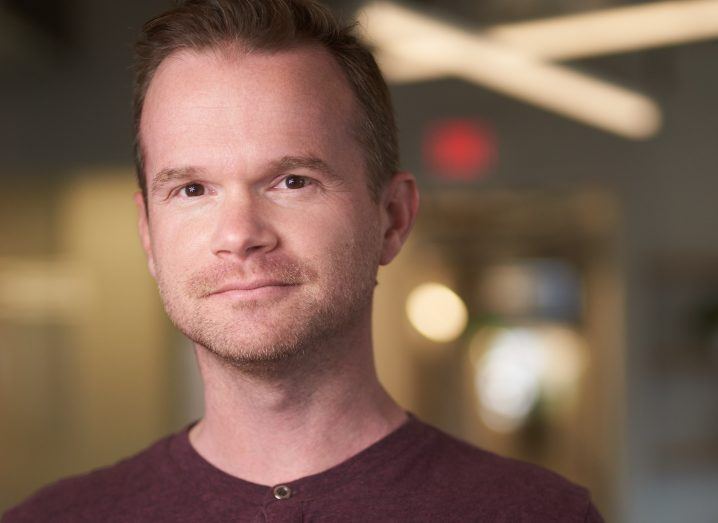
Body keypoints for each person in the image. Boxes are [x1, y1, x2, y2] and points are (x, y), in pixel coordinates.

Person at [3, 1, 603, 521]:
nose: (239, 235)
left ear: (391, 217)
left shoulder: (537, 516)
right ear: (148, 236)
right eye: (191, 190)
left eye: (291, 181)